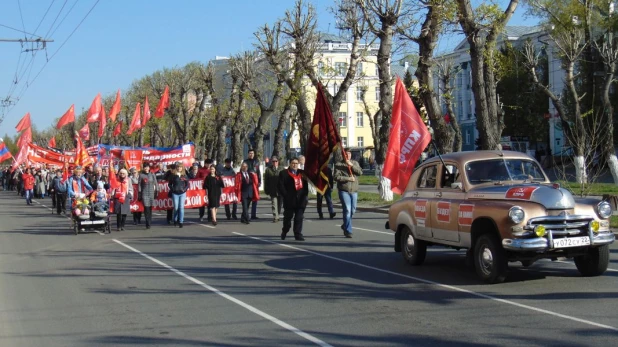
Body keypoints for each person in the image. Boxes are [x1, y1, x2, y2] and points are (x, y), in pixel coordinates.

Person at [334, 149, 363, 238]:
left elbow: (360, 173)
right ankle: (348, 230)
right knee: (347, 210)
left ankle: (345, 225)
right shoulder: (339, 165)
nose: (348, 155)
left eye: (349, 154)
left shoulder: (355, 163)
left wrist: (352, 166)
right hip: (344, 190)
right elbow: (336, 177)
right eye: (346, 154)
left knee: (353, 210)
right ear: (343, 155)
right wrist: (348, 179)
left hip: (354, 190)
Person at [277, 157, 308, 241]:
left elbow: (305, 186)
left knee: (299, 218)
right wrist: (286, 196)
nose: (294, 165)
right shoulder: (284, 173)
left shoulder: (302, 173)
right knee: (288, 219)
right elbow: (281, 186)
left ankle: (298, 234)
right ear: (290, 164)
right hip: (289, 200)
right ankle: (285, 231)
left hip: (300, 200)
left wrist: (305, 196)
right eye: (293, 163)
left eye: (296, 163)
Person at [264, 156, 284, 222]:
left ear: (278, 162)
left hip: (280, 190)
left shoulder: (282, 169)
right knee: (274, 203)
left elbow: (285, 180)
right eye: (273, 161)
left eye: (276, 161)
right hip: (273, 190)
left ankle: (277, 214)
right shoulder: (268, 170)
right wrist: (266, 189)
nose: (274, 162)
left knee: (279, 204)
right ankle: (275, 217)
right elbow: (266, 180)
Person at [138, 162, 158, 229]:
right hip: (144, 193)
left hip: (151, 193)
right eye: (145, 167)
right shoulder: (141, 175)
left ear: (149, 168)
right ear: (143, 168)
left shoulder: (152, 174)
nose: (146, 168)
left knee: (150, 208)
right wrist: (139, 193)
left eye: (147, 167)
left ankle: (149, 220)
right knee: (146, 208)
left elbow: (156, 183)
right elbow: (139, 185)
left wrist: (156, 191)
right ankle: (147, 222)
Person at [242, 149, 261, 220]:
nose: (251, 154)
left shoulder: (256, 162)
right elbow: (243, 171)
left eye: (252, 153)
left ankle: (253, 214)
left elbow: (258, 172)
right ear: (248, 154)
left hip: (255, 183)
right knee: (248, 199)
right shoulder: (245, 162)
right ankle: (245, 214)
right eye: (250, 153)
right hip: (248, 182)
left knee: (255, 198)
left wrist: (259, 181)